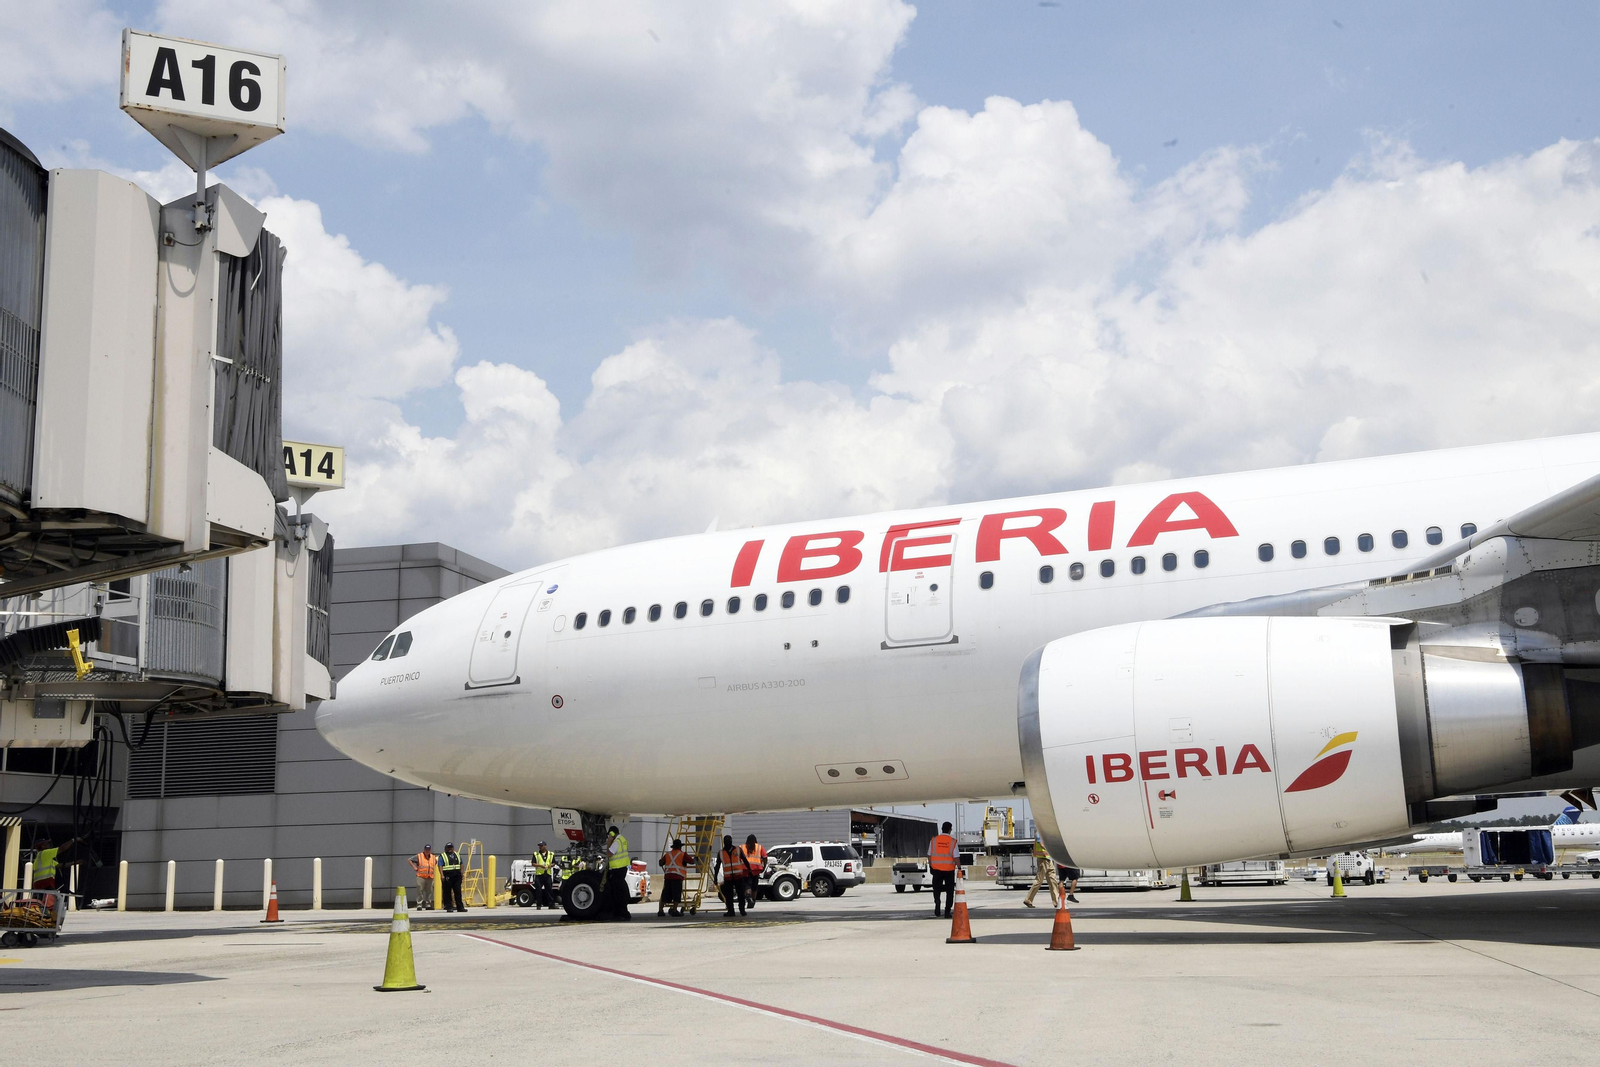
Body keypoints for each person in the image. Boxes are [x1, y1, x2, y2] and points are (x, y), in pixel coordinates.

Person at [927, 822, 958, 919]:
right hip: (949, 870)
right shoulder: (953, 841)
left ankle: (937, 904)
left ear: (942, 829)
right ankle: (947, 911)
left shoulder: (934, 840)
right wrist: (960, 867)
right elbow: (956, 856)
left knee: (936, 889)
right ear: (950, 830)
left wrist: (931, 866)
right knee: (949, 891)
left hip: (936, 870)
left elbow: (929, 855)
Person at [1023, 836, 1062, 909]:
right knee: (1039, 880)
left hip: (1048, 859)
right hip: (1043, 859)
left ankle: (1056, 902)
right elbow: (1041, 844)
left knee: (1053, 880)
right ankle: (1028, 900)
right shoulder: (1040, 832)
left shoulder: (1044, 832)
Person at [603, 826, 631, 921]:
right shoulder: (623, 840)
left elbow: (609, 853)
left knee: (617, 892)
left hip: (617, 868)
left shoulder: (616, 842)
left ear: (612, 833)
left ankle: (620, 912)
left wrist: (609, 842)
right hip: (623, 867)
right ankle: (623, 912)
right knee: (621, 890)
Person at [658, 838, 692, 917]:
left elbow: (660, 863)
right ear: (680, 847)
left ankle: (660, 910)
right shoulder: (683, 854)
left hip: (668, 876)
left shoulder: (668, 854)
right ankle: (674, 910)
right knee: (676, 894)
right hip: (677, 877)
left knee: (665, 893)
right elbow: (691, 861)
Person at [715, 834, 746, 917]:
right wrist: (715, 877)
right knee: (729, 895)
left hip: (738, 876)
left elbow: (745, 860)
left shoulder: (738, 850)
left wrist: (749, 871)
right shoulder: (721, 853)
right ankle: (731, 911)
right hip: (728, 878)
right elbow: (717, 866)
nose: (728, 843)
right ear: (724, 842)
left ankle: (742, 910)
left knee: (741, 894)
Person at [741, 834, 767, 910]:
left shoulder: (742, 847)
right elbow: (765, 857)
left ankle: (748, 897)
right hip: (756, 869)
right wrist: (764, 867)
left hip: (745, 869)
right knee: (754, 886)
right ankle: (753, 901)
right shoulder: (759, 847)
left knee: (747, 885)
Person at [530, 841, 559, 909]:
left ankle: (551, 905)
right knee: (538, 890)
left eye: (541, 846)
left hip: (547, 874)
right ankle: (538, 905)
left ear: (545, 846)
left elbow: (553, 863)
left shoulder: (551, 854)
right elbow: (533, 863)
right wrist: (540, 866)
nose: (540, 847)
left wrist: (549, 866)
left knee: (549, 890)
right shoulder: (536, 854)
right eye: (539, 846)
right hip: (539, 875)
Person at [410, 844, 438, 910]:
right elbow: (409, 860)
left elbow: (436, 863)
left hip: (430, 877)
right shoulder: (419, 856)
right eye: (426, 849)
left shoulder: (433, 857)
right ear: (424, 850)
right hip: (421, 876)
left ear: (430, 850)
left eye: (428, 850)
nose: (427, 851)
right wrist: (414, 866)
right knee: (420, 890)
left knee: (429, 891)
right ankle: (419, 904)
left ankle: (428, 904)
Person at [439, 842, 466, 912]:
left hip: (457, 875)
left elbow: (461, 864)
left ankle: (460, 907)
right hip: (447, 875)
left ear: (453, 848)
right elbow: (440, 866)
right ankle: (449, 907)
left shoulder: (457, 855)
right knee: (447, 892)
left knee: (458, 891)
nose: (450, 849)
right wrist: (442, 875)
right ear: (446, 848)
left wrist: (462, 873)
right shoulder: (442, 856)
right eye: (448, 848)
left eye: (451, 847)